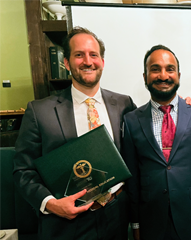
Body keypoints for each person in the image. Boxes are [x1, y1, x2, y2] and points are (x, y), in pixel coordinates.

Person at [13, 27, 136, 240]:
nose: (87, 61)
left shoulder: (124, 104)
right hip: (65, 223)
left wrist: (185, 104)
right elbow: (22, 170)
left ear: (102, 62)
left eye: (93, 55)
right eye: (79, 55)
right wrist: (51, 204)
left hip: (116, 215)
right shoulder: (39, 111)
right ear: (67, 63)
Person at [121, 45, 191, 240]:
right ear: (145, 76)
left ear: (178, 75)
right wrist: (135, 224)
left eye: (170, 69)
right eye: (155, 69)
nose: (163, 75)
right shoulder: (132, 120)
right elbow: (132, 179)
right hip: (151, 224)